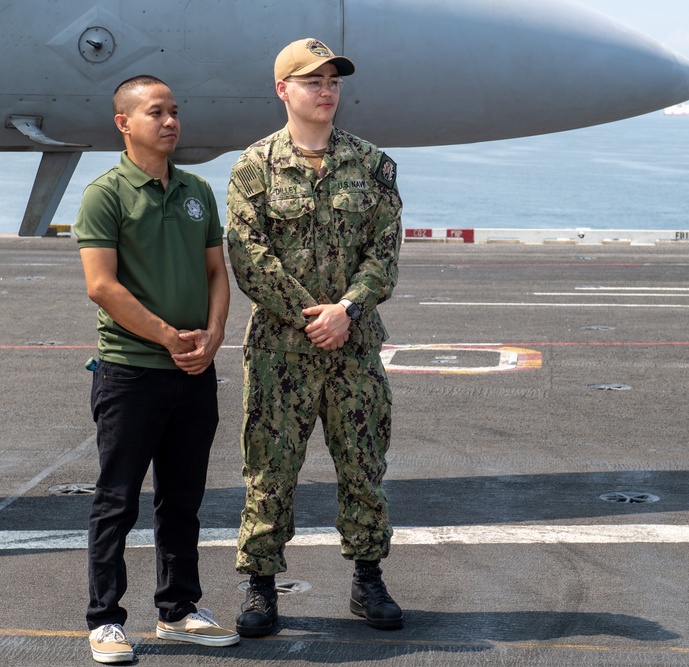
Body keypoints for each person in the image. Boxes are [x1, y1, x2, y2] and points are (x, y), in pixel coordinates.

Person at [225, 38, 403, 637]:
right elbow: (249, 257)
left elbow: (384, 253)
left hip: (353, 345)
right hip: (281, 351)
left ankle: (368, 578)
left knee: (362, 463)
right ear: (283, 90)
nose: (325, 91)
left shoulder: (374, 165)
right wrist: (314, 315)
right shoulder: (254, 167)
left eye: (332, 81)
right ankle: (260, 585)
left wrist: (347, 309)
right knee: (270, 469)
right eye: (311, 82)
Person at [74, 74, 237, 664]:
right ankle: (105, 620)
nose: (170, 122)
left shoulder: (197, 190)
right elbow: (101, 286)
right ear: (124, 123)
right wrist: (171, 337)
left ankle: (179, 610)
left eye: (174, 112)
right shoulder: (105, 194)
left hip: (195, 371)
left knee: (183, 499)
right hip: (130, 371)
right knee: (117, 499)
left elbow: (218, 272)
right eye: (155, 112)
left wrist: (214, 335)